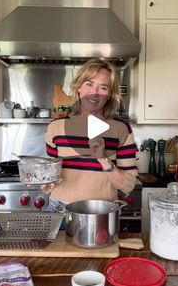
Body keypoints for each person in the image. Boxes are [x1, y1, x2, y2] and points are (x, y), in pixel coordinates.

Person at [45, 58, 138, 211]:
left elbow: (128, 185)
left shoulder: (121, 129)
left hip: (102, 212)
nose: (94, 93)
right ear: (78, 87)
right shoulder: (56, 127)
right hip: (60, 210)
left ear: (109, 94)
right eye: (89, 84)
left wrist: (103, 159)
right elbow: (50, 177)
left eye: (103, 88)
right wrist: (42, 180)